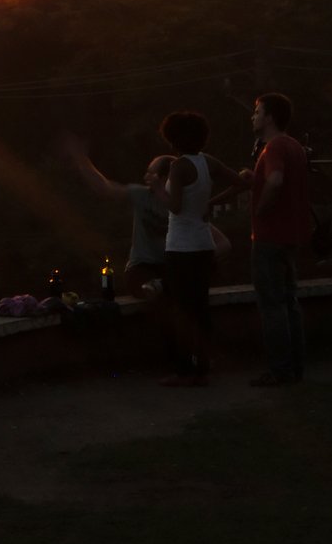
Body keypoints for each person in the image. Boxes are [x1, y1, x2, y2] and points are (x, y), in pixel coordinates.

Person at [158, 110, 239, 387]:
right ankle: (202, 367)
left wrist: (157, 188)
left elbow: (176, 207)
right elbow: (241, 182)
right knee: (200, 308)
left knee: (182, 310)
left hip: (181, 247)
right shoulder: (208, 162)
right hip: (204, 245)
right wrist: (212, 202)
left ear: (174, 139)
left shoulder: (179, 166)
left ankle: (184, 371)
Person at [245, 92, 310, 387]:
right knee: (289, 303)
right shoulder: (294, 146)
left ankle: (279, 370)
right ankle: (295, 367)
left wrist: (260, 209)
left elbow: (275, 180)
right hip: (292, 234)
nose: (253, 116)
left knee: (271, 306)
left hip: (270, 236)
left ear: (270, 117)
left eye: (257, 112)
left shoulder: (273, 147)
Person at [64, 138, 172, 298]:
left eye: (150, 173)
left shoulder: (182, 205)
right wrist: (82, 159)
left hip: (169, 266)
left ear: (164, 178)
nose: (145, 176)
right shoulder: (142, 195)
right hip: (142, 266)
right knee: (146, 289)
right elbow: (105, 188)